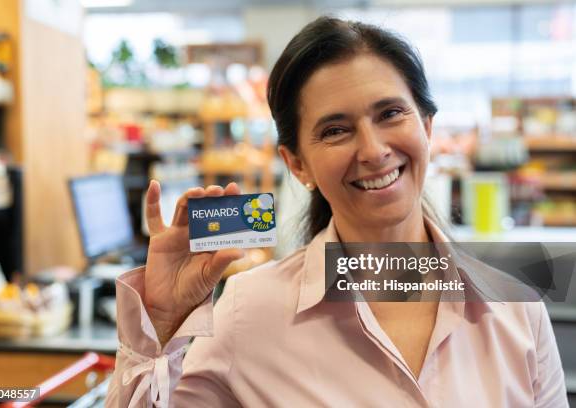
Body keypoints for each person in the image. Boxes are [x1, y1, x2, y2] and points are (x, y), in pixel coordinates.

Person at [106, 16, 568, 407]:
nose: (373, 150)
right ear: (297, 164)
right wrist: (161, 326)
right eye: (335, 130)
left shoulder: (515, 307)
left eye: (390, 114)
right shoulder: (249, 311)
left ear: (426, 127)